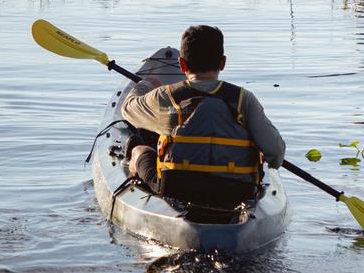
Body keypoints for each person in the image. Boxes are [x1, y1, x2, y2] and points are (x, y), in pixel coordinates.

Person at [122, 25, 285, 208]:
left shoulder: (165, 97)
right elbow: (275, 153)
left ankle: (137, 187)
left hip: (177, 190)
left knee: (139, 150)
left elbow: (127, 109)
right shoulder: (243, 100)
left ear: (182, 64)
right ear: (223, 63)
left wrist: (146, 84)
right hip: (237, 191)